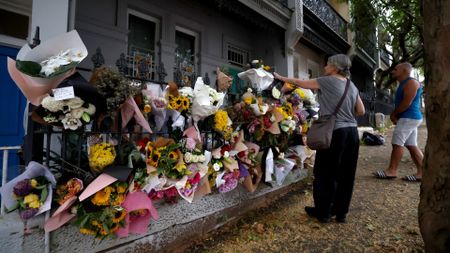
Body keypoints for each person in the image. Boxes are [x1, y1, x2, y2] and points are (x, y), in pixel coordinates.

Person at [274, 54, 365, 223]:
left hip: (335, 132)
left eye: (328, 64)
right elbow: (361, 111)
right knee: (346, 174)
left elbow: (300, 83)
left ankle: (323, 212)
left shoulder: (327, 81)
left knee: (325, 172)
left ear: (335, 67)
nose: (325, 67)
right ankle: (341, 213)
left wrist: (280, 77)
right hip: (352, 132)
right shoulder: (351, 85)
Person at [373, 62, 423, 182]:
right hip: (408, 117)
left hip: (409, 117)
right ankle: (422, 172)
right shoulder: (403, 83)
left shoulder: (411, 82)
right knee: (411, 145)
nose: (392, 71)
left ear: (405, 70)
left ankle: (392, 170)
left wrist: (394, 114)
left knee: (397, 143)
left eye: (396, 69)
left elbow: (407, 103)